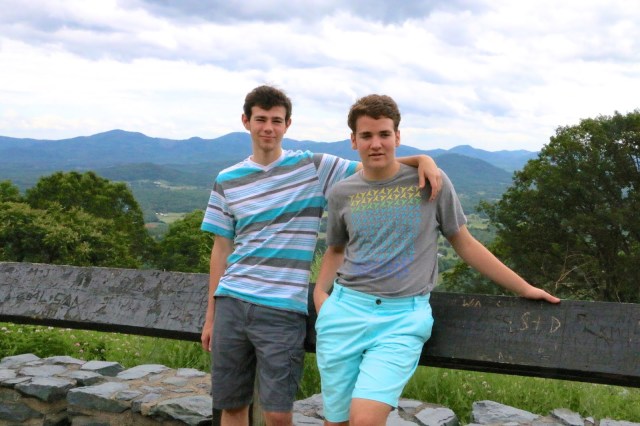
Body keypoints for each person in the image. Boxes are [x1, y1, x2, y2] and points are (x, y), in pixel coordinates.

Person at [200, 85, 443, 426]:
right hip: (232, 300)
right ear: (246, 121)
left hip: (283, 305)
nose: (268, 127)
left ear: (287, 124)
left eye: (276, 120)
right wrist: (211, 316)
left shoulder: (313, 167)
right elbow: (221, 249)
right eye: (261, 119)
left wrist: (423, 160)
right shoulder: (227, 179)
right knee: (231, 406)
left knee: (278, 413)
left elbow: (374, 164)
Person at [313, 94, 561, 426]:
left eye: (384, 134)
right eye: (366, 135)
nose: (376, 143)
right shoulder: (342, 192)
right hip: (344, 312)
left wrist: (524, 288)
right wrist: (321, 295)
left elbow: (465, 243)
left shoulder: (429, 181)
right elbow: (336, 249)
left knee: (364, 421)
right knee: (336, 422)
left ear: (397, 136)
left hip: (401, 320)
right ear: (353, 140)